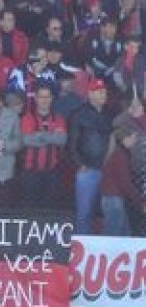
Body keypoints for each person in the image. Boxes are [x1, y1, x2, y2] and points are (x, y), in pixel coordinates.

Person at [70, 78, 115, 234]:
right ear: (90, 94)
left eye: (104, 91)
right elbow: (72, 144)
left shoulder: (110, 114)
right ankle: (83, 246)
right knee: (84, 212)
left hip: (108, 170)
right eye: (100, 91)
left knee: (107, 211)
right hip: (88, 169)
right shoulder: (79, 114)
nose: (104, 94)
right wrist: (80, 164)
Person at [19, 84, 68, 208]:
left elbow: (62, 139)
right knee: (30, 208)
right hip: (31, 172)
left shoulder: (58, 118)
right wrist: (51, 136)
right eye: (41, 97)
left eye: (47, 97)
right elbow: (27, 140)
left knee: (50, 209)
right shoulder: (28, 118)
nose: (44, 100)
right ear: (36, 98)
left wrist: (39, 135)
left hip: (52, 172)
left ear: (52, 98)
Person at [101, 126, 146, 236]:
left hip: (111, 198)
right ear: (125, 139)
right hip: (114, 200)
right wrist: (141, 202)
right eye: (133, 138)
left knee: (122, 234)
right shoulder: (120, 155)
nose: (135, 141)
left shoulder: (115, 153)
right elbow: (126, 183)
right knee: (114, 234)